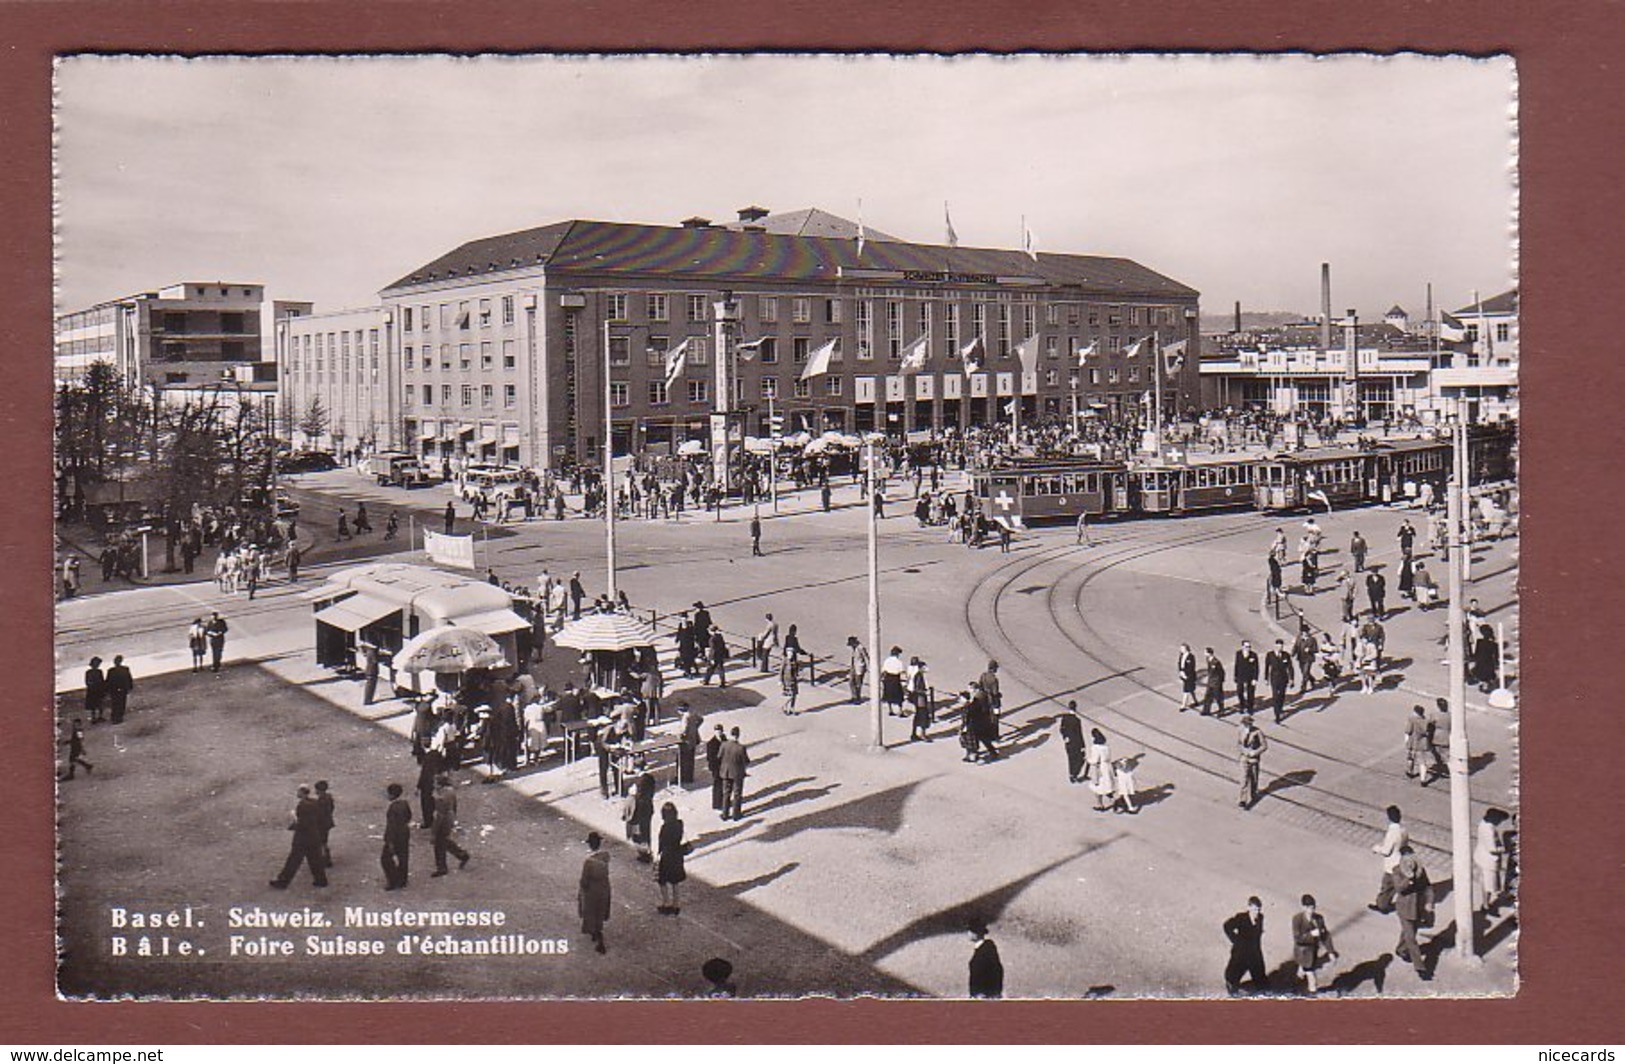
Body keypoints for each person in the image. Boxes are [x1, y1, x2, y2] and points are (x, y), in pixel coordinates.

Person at [270, 785, 328, 889]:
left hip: (303, 839)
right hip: (314, 837)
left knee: (293, 861)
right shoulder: (314, 803)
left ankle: (283, 882)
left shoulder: (302, 805)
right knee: (315, 860)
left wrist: (294, 819)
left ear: (302, 792)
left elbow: (302, 824)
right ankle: (321, 880)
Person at [1391, 845, 1432, 978]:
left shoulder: (1420, 871)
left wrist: (1429, 902)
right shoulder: (1397, 871)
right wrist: (1408, 879)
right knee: (1411, 938)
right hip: (1405, 908)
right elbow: (1399, 889)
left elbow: (1427, 887)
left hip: (1418, 907)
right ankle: (1420, 967)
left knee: (1409, 932)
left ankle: (1400, 949)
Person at [1291, 894, 1338, 995]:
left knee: (1302, 970)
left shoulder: (1319, 919)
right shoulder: (1297, 919)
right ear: (1303, 907)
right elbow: (1297, 938)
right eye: (1309, 908)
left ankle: (1295, 985)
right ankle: (1313, 992)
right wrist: (1311, 934)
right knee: (1310, 973)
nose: (1311, 910)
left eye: (1313, 907)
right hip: (1302, 951)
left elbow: (1325, 935)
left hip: (1313, 951)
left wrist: (1330, 952)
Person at [1223, 896, 1268, 996]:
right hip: (1241, 952)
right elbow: (1227, 926)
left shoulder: (1260, 917)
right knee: (1233, 974)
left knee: (1260, 976)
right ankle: (1232, 990)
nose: (1257, 912)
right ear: (1249, 907)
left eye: (1258, 909)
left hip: (1254, 952)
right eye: (1255, 909)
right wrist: (1235, 940)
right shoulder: (1241, 918)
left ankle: (1263, 994)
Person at [1369, 805, 1409, 912]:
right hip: (1401, 861)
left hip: (1391, 864)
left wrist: (1376, 848)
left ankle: (1382, 906)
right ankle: (1386, 903)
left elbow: (1386, 851)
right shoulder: (1403, 830)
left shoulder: (1392, 833)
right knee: (1394, 885)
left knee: (1386, 886)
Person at [430, 773, 470, 876]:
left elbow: (439, 815)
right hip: (450, 818)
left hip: (443, 821)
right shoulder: (450, 792)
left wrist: (433, 832)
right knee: (444, 840)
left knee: (439, 845)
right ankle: (461, 854)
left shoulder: (440, 798)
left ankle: (442, 868)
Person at [578, 832, 611, 953]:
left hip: (592, 889)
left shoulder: (588, 862)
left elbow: (584, 880)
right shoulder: (605, 856)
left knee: (591, 909)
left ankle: (594, 933)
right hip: (604, 886)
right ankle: (599, 929)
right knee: (601, 908)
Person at [655, 802, 687, 916]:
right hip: (677, 855)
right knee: (675, 881)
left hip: (667, 856)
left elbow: (661, 843)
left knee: (662, 880)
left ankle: (666, 903)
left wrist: (658, 854)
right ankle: (676, 904)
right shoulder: (679, 824)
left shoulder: (665, 828)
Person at [380, 783, 412, 891]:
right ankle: (402, 880)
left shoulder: (393, 808)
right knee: (403, 857)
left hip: (395, 836)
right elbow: (409, 816)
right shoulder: (404, 803)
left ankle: (393, 880)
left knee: (386, 859)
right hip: (404, 832)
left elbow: (391, 826)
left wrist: (389, 841)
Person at [1404, 704, 1443, 785]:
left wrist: (1406, 741)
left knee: (1410, 758)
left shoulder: (1411, 719)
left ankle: (1410, 772)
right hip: (1423, 743)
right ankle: (1423, 780)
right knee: (1422, 762)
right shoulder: (1426, 721)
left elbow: (1408, 731)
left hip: (1413, 742)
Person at [624, 769, 656, 862]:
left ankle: (644, 853)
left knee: (639, 833)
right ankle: (647, 851)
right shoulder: (650, 779)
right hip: (648, 810)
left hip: (639, 811)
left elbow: (638, 795)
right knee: (646, 831)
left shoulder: (640, 782)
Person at [718, 727, 749, 820]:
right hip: (737, 773)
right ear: (738, 735)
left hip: (726, 772)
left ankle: (725, 814)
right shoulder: (741, 748)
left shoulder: (724, 745)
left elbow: (719, 756)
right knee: (737, 793)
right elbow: (746, 761)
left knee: (726, 793)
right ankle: (736, 814)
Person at [967, 922, 1004, 999]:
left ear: (976, 934)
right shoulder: (981, 949)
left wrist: (992, 993)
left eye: (970, 931)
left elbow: (996, 971)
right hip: (979, 994)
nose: (968, 934)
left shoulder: (988, 949)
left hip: (985, 995)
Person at [1237, 715, 1267, 810]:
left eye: (1248, 724)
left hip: (1253, 759)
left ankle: (1253, 794)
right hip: (1244, 758)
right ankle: (1243, 800)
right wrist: (1244, 751)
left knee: (1254, 778)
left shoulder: (1258, 732)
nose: (1246, 726)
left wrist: (1255, 752)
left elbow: (1264, 746)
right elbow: (1239, 744)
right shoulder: (1240, 731)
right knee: (1243, 779)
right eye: (1245, 724)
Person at [1263, 639, 1294, 725]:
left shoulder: (1286, 655)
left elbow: (1290, 667)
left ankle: (1280, 708)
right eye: (1278, 646)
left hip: (1284, 678)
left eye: (1281, 646)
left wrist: (1292, 679)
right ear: (1275, 646)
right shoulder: (1270, 655)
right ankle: (1277, 716)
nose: (1280, 648)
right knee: (1275, 696)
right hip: (1274, 678)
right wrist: (1266, 679)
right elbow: (1267, 667)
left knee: (1282, 696)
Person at [1058, 701, 1086, 782]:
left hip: (1068, 742)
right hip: (1076, 742)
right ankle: (1074, 773)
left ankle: (1071, 774)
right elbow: (1079, 733)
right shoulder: (1077, 720)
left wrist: (1065, 737)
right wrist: (1083, 745)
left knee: (1071, 758)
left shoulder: (1064, 718)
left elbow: (1062, 729)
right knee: (1079, 758)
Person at [677, 702, 702, 785]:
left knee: (682, 760)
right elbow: (701, 719)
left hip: (686, 741)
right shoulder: (693, 714)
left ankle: (682, 778)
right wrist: (695, 727)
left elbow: (684, 730)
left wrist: (679, 735)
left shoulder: (685, 718)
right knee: (691, 760)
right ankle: (690, 777)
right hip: (693, 739)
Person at [906, 656, 931, 739]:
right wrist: (925, 692)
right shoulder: (919, 676)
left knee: (918, 715)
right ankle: (922, 734)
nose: (926, 668)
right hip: (921, 699)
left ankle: (914, 733)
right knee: (923, 716)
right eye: (924, 667)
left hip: (919, 698)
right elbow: (917, 688)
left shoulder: (919, 675)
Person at [314, 779, 336, 870]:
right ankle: (326, 859)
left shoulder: (321, 801)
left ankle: (325, 860)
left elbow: (319, 813)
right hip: (327, 822)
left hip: (321, 824)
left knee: (321, 842)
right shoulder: (329, 798)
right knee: (324, 841)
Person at [105, 654, 133, 724]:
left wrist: (107, 690)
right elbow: (129, 679)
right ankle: (118, 717)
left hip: (115, 689)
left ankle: (115, 717)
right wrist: (129, 687)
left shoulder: (111, 670)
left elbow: (108, 681)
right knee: (121, 703)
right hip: (122, 689)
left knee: (116, 703)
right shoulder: (125, 669)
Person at [880, 646, 907, 717]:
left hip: (888, 678)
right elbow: (902, 672)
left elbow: (883, 671)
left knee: (888, 694)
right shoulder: (899, 662)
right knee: (899, 696)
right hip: (895, 678)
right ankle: (900, 711)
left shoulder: (887, 660)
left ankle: (890, 710)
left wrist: (881, 678)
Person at [1233, 641, 1259, 713]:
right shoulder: (1238, 654)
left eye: (1249, 647)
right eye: (1246, 647)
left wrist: (1255, 678)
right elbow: (1236, 665)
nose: (1248, 648)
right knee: (1239, 692)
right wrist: (1235, 676)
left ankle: (1250, 708)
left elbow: (1256, 668)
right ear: (1242, 647)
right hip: (1241, 676)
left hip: (1250, 676)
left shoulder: (1253, 655)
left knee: (1250, 693)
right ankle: (1242, 705)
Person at [1473, 624, 1500, 692]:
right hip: (1485, 664)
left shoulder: (1484, 643)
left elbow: (1495, 656)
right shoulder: (1490, 644)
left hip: (1484, 663)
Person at [706, 724, 727, 811]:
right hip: (716, 767)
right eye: (717, 731)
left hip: (724, 766)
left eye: (720, 730)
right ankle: (716, 804)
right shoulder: (711, 743)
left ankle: (723, 801)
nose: (719, 732)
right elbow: (710, 757)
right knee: (717, 785)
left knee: (724, 784)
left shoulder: (725, 740)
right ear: (714, 732)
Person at [1201, 647, 1226, 716]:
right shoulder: (1208, 659)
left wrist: (1220, 681)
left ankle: (1221, 710)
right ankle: (1206, 710)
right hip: (1210, 681)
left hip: (1216, 682)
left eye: (1205, 652)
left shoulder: (1216, 662)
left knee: (1218, 696)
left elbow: (1221, 672)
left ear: (1209, 653)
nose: (1204, 654)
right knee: (1207, 696)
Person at [83, 657, 106, 724]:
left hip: (95, 690)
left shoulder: (98, 671)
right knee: (95, 705)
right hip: (94, 690)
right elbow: (87, 682)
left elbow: (102, 681)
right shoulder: (91, 672)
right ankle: (95, 717)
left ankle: (98, 717)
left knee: (99, 704)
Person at [846, 635, 869, 705]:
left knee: (858, 683)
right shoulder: (853, 648)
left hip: (859, 667)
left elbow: (866, 657)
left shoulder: (861, 648)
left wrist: (867, 667)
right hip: (853, 667)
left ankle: (858, 698)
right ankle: (853, 696)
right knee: (851, 682)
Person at [1177, 643, 1198, 711]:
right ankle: (1195, 701)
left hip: (1189, 676)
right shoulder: (1182, 655)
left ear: (1186, 649)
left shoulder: (1191, 657)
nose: (1181, 650)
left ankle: (1183, 705)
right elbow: (1179, 663)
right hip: (1183, 674)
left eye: (1182, 648)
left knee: (1186, 691)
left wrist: (1186, 675)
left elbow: (1191, 667)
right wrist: (1180, 671)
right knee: (1190, 689)